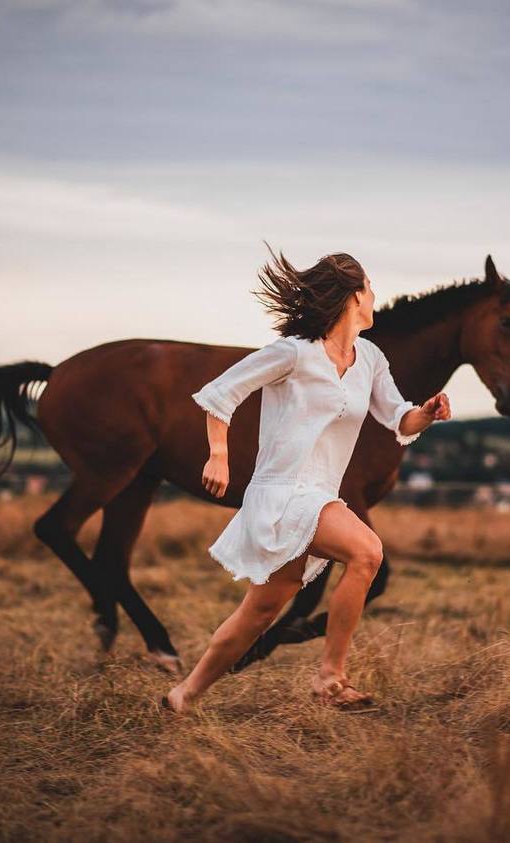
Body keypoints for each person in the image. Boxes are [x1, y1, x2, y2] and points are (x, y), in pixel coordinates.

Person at [161, 246, 451, 714]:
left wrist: (426, 414)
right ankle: (330, 678)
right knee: (367, 551)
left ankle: (184, 695)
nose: (375, 296)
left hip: (319, 495)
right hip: (281, 493)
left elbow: (397, 417)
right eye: (370, 288)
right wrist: (218, 456)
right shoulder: (293, 354)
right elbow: (219, 395)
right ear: (352, 297)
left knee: (259, 613)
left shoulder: (370, 359)